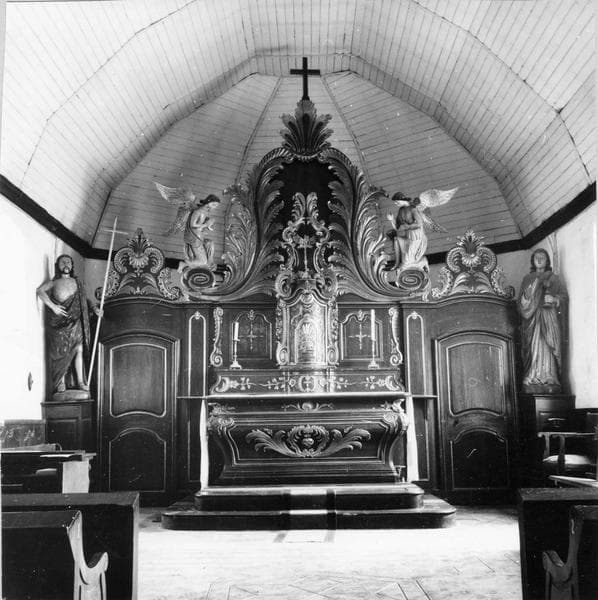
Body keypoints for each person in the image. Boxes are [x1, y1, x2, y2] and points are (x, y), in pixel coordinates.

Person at [36, 254, 100, 395]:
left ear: (72, 266)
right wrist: (53, 306)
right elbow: (40, 291)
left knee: (78, 350)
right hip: (59, 322)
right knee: (60, 352)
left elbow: (85, 300)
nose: (66, 264)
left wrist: (94, 308)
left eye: (69, 262)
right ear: (58, 266)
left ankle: (80, 382)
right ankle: (61, 383)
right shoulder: (53, 282)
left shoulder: (77, 283)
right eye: (63, 262)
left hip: (76, 321)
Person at [517, 248, 567, 391]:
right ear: (533, 261)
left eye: (542, 257)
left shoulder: (554, 278)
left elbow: (564, 297)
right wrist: (529, 294)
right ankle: (533, 376)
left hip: (548, 316)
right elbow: (521, 302)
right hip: (533, 318)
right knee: (534, 345)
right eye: (536, 258)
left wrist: (555, 299)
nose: (539, 260)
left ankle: (550, 377)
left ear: (547, 261)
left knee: (547, 345)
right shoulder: (527, 279)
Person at [386, 193, 427, 269]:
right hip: (408, 236)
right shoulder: (401, 210)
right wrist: (391, 220)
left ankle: (423, 262)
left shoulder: (412, 209)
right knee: (396, 240)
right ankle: (397, 263)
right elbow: (397, 227)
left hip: (416, 237)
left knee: (407, 263)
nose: (395, 203)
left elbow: (419, 223)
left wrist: (407, 226)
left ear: (402, 200)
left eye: (396, 201)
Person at [183, 194, 220, 267]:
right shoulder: (198, 211)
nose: (214, 207)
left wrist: (209, 223)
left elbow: (202, 222)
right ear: (208, 202)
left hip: (200, 236)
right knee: (203, 261)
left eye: (216, 206)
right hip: (194, 238)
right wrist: (205, 224)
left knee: (209, 243)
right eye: (214, 204)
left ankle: (208, 264)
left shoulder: (206, 211)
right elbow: (192, 224)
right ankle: (184, 265)